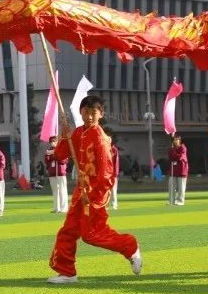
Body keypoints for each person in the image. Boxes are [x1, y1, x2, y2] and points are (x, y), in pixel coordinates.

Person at [48, 95, 141, 284]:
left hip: (94, 194)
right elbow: (60, 155)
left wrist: (93, 195)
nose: (89, 116)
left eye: (93, 112)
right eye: (86, 112)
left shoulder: (100, 138)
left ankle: (130, 246)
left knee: (92, 234)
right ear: (80, 112)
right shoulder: (78, 132)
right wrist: (64, 136)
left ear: (101, 114)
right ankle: (67, 272)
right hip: (80, 192)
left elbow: (107, 174)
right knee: (68, 231)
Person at [45, 135, 69, 213]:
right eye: (51, 141)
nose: (53, 143)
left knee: (62, 190)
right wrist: (51, 156)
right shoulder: (48, 151)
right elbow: (47, 161)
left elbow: (64, 160)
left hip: (60, 172)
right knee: (55, 191)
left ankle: (64, 208)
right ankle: (56, 207)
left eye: (54, 141)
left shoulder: (62, 150)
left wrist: (56, 155)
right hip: (52, 173)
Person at [168, 134, 188, 206]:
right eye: (174, 140)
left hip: (182, 170)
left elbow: (180, 157)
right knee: (171, 186)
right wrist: (173, 152)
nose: (175, 141)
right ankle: (171, 200)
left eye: (177, 139)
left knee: (181, 187)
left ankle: (180, 201)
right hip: (173, 170)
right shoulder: (171, 149)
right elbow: (171, 158)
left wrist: (174, 153)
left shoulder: (183, 148)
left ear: (180, 140)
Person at [109, 143, 120, 210]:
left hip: (112, 173)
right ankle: (106, 204)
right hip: (105, 173)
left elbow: (116, 161)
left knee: (113, 189)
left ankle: (114, 204)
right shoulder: (104, 148)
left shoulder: (114, 150)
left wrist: (115, 173)